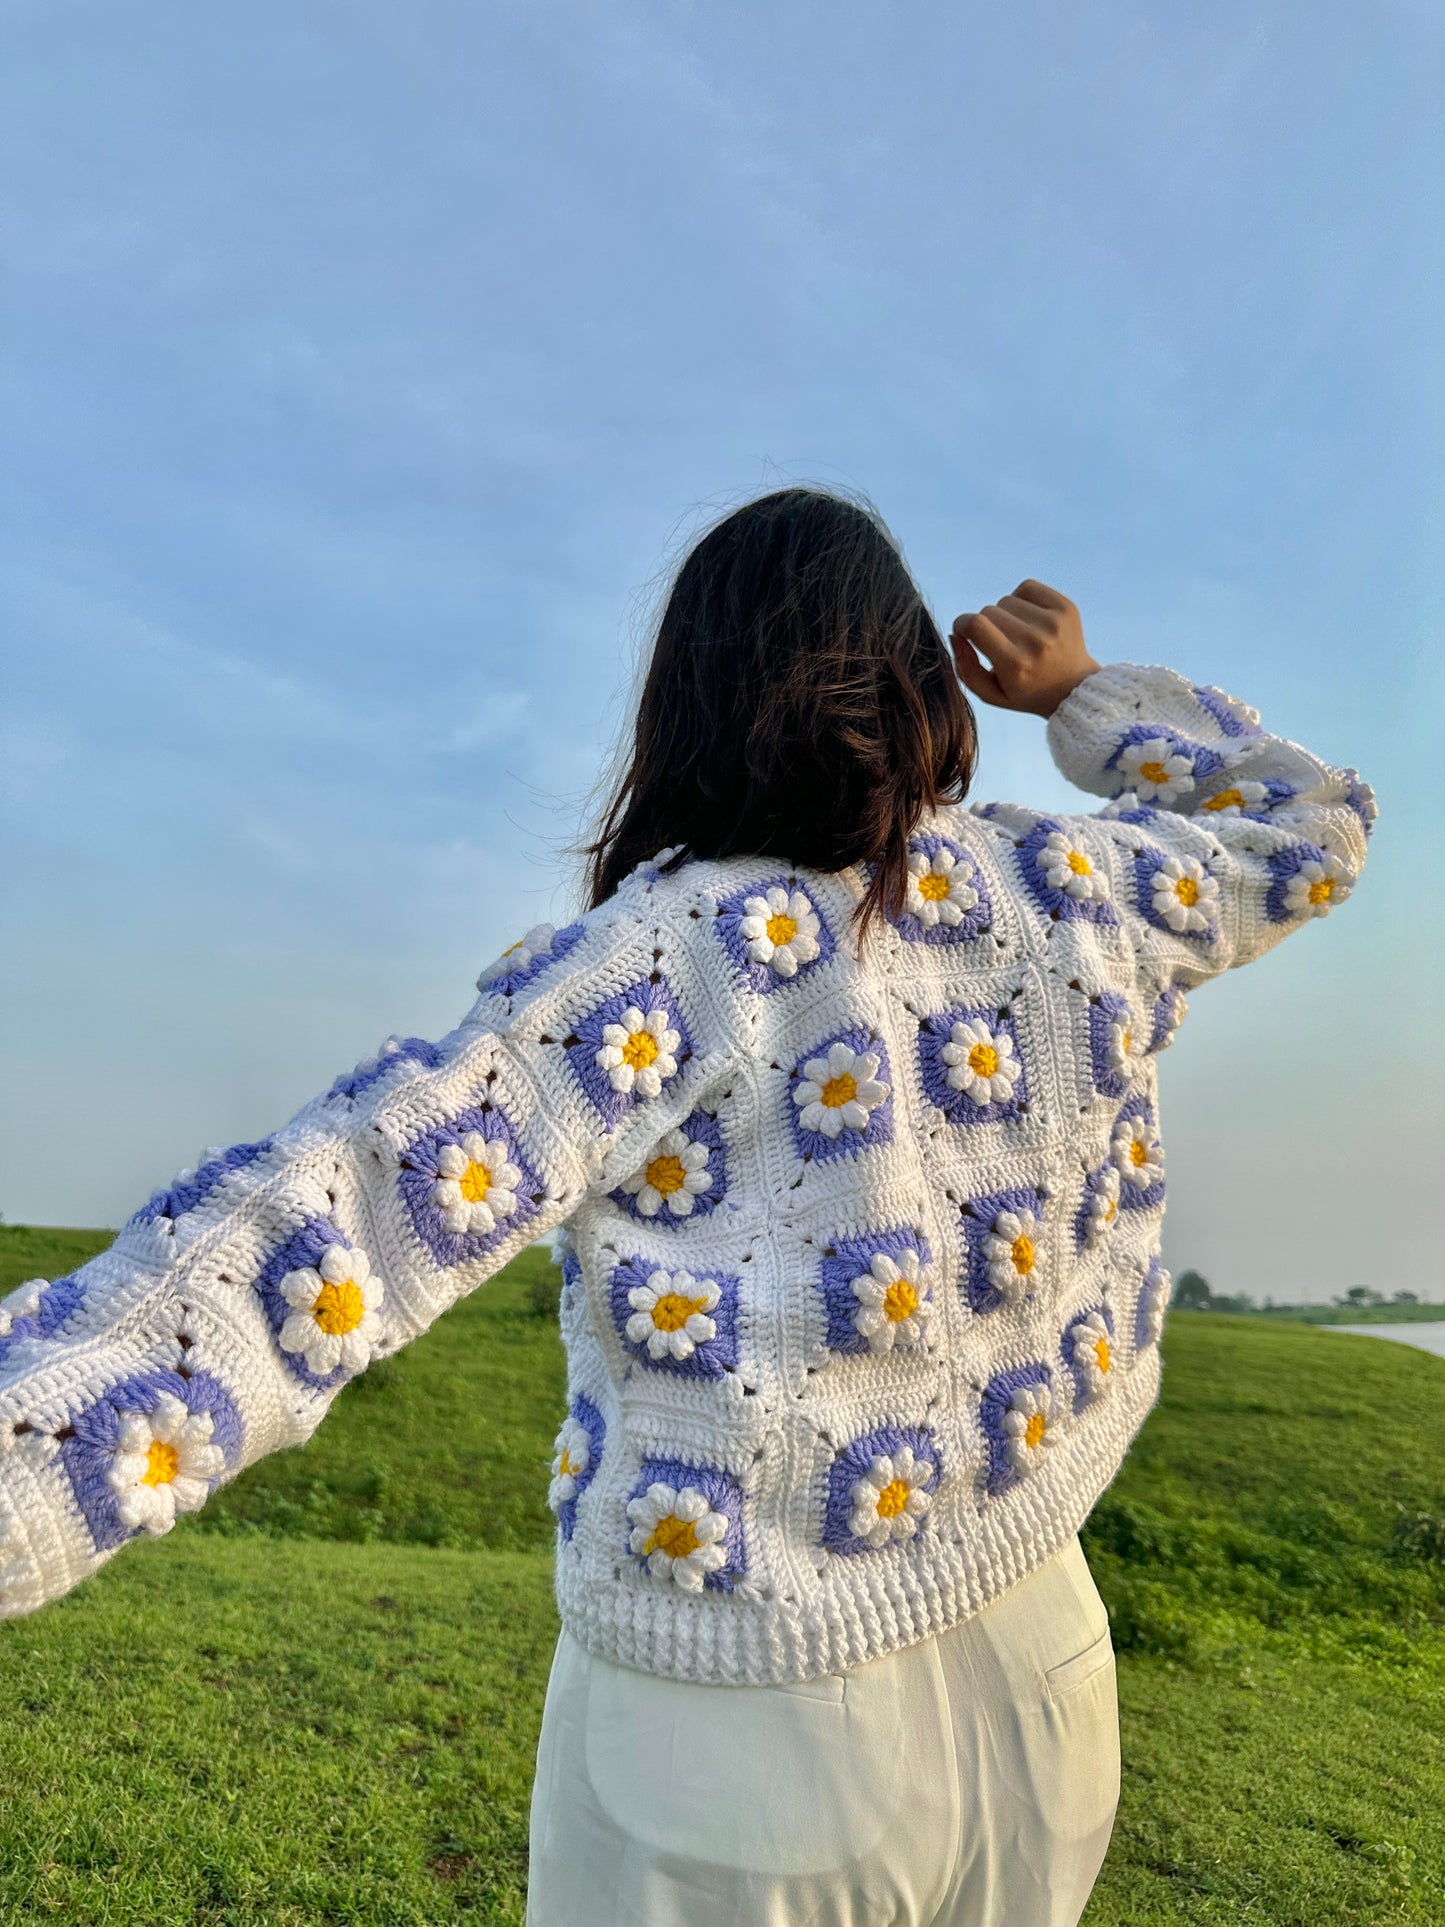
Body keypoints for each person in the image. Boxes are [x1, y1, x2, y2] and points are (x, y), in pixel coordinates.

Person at [0, 489, 1373, 1925]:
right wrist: (1082, 695)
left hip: (739, 1731)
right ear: (913, 673)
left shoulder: (680, 947)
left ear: (695, 699)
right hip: (1047, 1671)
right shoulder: (1070, 887)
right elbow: (1312, 828)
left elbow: (356, 1207)